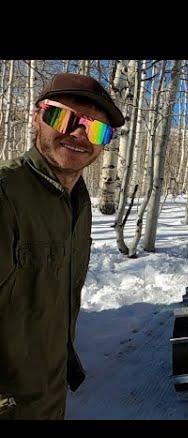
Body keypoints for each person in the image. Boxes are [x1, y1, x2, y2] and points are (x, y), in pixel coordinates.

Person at [0, 73, 124, 419]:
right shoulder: (6, 194)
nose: (80, 134)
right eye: (62, 117)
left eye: (97, 130)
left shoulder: (77, 203)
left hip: (49, 399)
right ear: (36, 117)